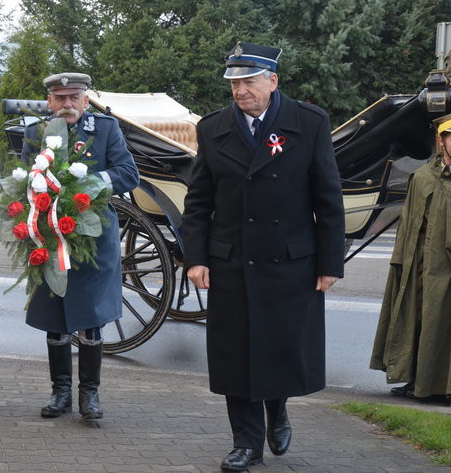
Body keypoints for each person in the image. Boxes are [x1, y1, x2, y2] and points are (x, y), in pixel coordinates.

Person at [182, 43, 345, 471]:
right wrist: (196, 257)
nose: (240, 91)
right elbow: (198, 201)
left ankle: (279, 408)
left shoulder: (308, 123)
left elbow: (327, 198)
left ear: (273, 81)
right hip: (232, 260)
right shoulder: (213, 128)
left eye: (249, 82)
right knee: (236, 354)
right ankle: (246, 443)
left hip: (290, 261)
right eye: (234, 83)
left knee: (280, 347)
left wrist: (330, 263)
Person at [21, 72, 139, 420]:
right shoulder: (35, 134)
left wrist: (86, 185)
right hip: (49, 237)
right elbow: (25, 179)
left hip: (92, 238)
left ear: (86, 100)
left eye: (75, 97)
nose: (67, 104)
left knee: (89, 319)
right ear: (50, 102)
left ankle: (89, 395)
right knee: (54, 318)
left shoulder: (104, 130)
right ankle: (60, 394)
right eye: (60, 98)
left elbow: (128, 173)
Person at [369, 113, 451, 402]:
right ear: (441, 142)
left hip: (446, 264)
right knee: (417, 319)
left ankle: (441, 386)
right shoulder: (423, 177)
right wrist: (403, 260)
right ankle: (417, 379)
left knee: (442, 322)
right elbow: (409, 222)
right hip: (419, 261)